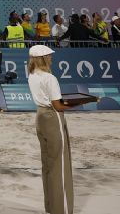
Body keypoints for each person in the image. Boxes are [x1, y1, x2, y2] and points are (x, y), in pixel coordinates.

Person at [29, 44, 83, 214]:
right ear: (43, 58)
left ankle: (51, 206)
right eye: (49, 56)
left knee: (48, 163)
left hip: (40, 117)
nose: (52, 58)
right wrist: (80, 102)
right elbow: (58, 105)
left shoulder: (31, 75)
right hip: (53, 118)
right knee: (59, 163)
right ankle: (61, 209)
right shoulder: (49, 78)